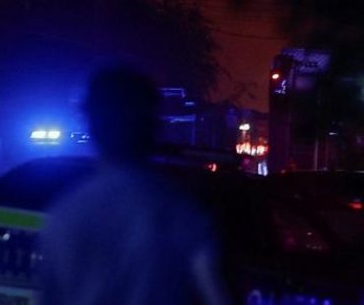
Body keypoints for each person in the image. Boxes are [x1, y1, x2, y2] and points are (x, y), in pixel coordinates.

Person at [38, 65, 230, 305]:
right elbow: (215, 293)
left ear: (92, 127)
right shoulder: (180, 211)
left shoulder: (64, 215)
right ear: (154, 127)